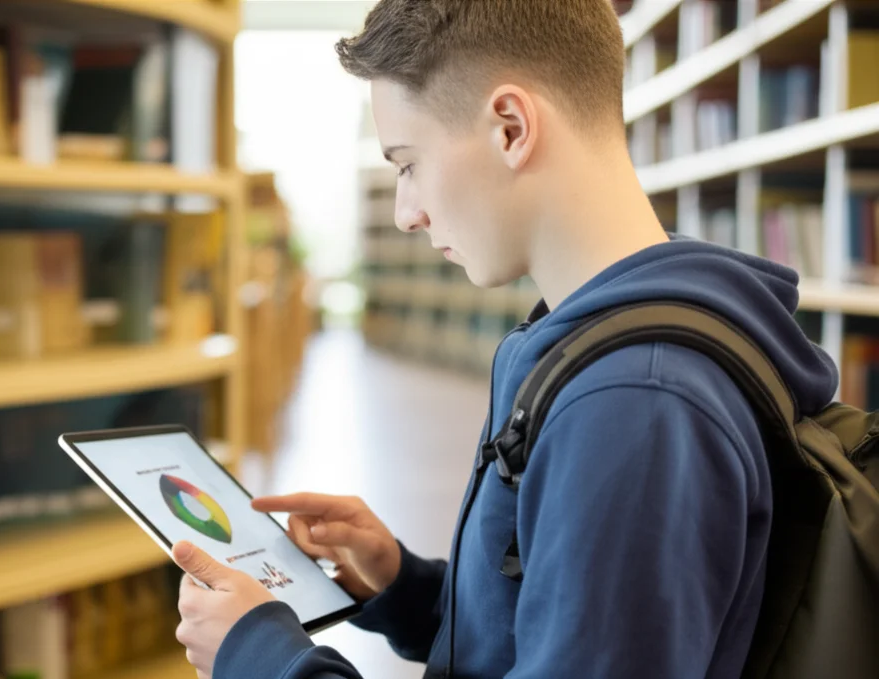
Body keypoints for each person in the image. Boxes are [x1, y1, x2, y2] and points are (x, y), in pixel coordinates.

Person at [168, 1, 839, 677]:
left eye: (408, 163)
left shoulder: (633, 403)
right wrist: (404, 588)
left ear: (511, 127)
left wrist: (263, 656)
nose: (408, 213)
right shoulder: (607, 343)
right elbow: (550, 629)